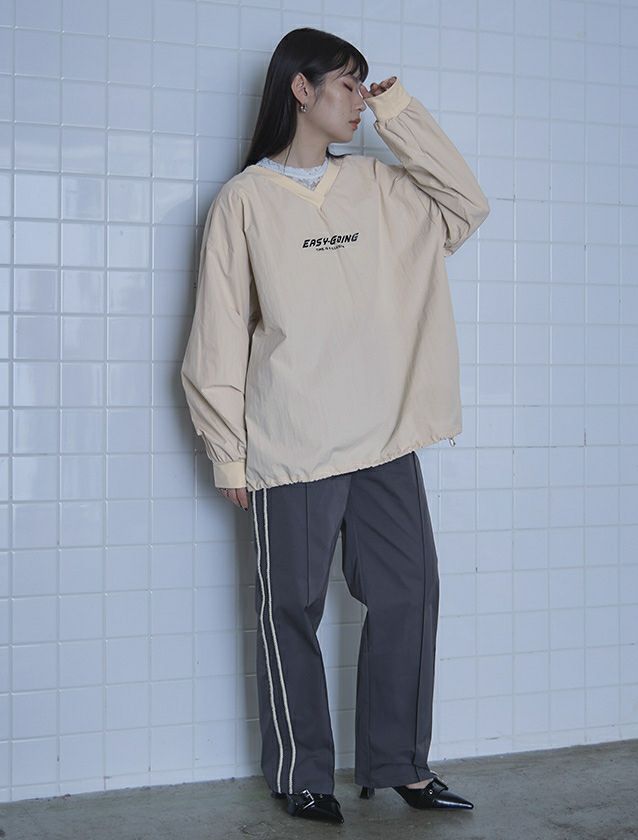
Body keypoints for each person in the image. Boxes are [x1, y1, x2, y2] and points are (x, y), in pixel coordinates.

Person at [180, 27, 490, 825]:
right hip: (292, 442)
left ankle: (401, 764)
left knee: (409, 593)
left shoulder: (380, 188)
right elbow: (218, 334)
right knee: (290, 608)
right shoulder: (244, 201)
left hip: (384, 436)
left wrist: (400, 113)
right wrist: (228, 455)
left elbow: (466, 206)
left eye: (362, 86)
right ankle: (301, 773)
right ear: (301, 88)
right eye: (348, 84)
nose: (358, 99)